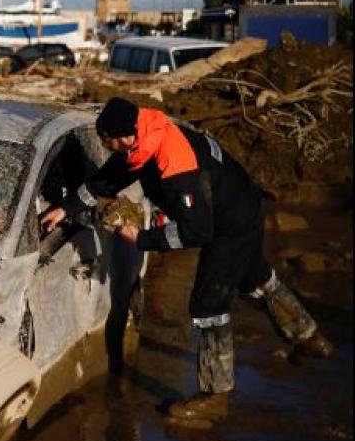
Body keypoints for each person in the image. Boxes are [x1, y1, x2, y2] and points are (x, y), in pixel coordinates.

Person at [40, 97, 333, 422]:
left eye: (106, 142)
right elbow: (109, 178)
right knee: (253, 276)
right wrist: (65, 208)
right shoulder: (146, 136)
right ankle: (308, 336)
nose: (106, 148)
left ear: (122, 137)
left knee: (209, 305)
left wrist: (142, 238)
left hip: (228, 223)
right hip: (240, 202)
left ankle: (214, 396)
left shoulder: (173, 165)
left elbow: (197, 232)